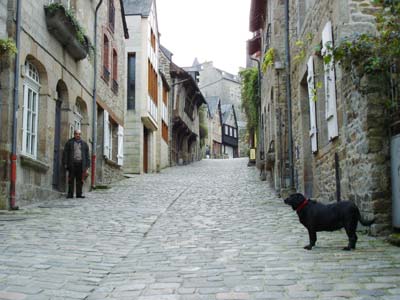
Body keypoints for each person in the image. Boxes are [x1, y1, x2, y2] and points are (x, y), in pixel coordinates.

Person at [62, 129, 90, 198]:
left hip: (81, 164)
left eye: (79, 134)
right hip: (72, 163)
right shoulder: (69, 142)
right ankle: (70, 194)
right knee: (71, 179)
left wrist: (87, 165)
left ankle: (79, 194)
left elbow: (87, 155)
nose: (78, 135)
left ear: (80, 135)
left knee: (80, 180)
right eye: (76, 134)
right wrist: (65, 163)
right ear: (74, 134)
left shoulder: (84, 144)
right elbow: (65, 153)